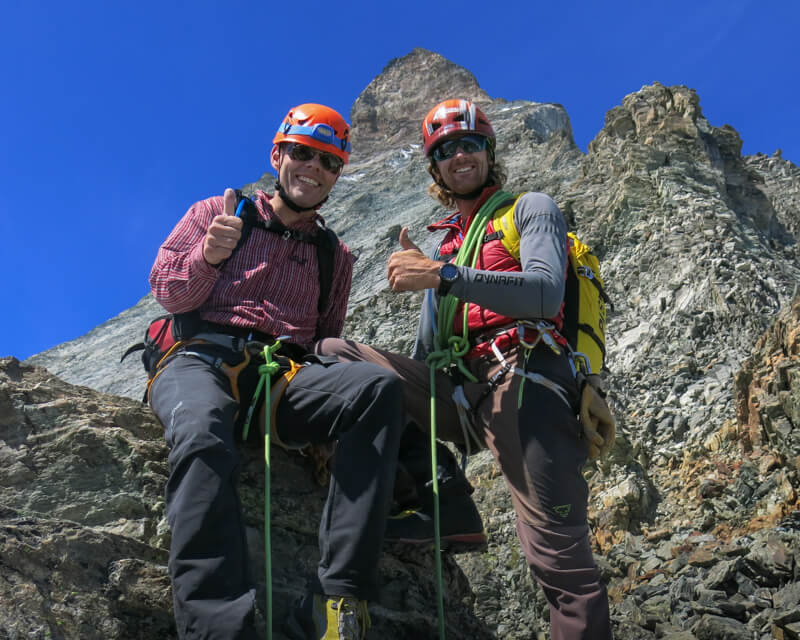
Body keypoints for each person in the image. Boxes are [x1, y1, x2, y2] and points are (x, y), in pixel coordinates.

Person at [316, 99, 615, 640]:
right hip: (461, 391)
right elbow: (428, 348)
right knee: (342, 358)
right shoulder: (450, 243)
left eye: (471, 144)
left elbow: (548, 295)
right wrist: (437, 278)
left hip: (526, 385)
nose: (460, 155)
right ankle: (443, 501)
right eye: (446, 150)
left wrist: (442, 275)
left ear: (488, 152)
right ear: (434, 166)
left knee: (559, 563)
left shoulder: (530, 209)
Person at [147, 103, 402, 640]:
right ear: (277, 155)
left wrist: (328, 415)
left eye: (328, 162)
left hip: (282, 376)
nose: (313, 168)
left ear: (337, 173)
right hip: (199, 357)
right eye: (302, 153)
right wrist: (208, 259)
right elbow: (169, 292)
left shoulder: (335, 256)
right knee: (199, 430)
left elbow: (322, 336)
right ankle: (218, 628)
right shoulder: (216, 214)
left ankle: (337, 603)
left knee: (376, 386)